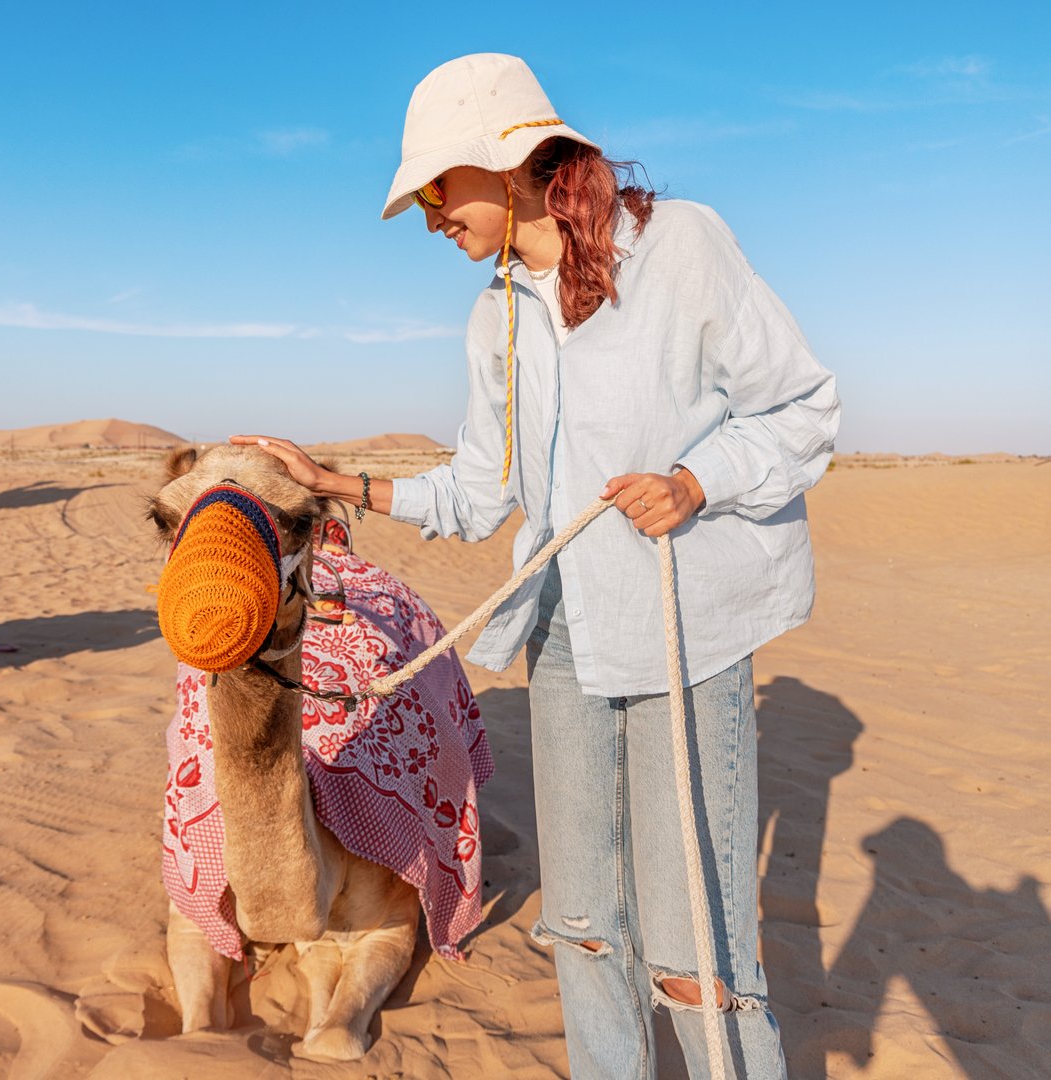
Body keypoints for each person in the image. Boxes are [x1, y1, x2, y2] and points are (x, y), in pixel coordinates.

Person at [233, 53, 837, 1078]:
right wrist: (340, 484)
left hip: (683, 635)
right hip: (564, 644)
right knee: (589, 928)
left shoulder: (679, 246)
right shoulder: (496, 314)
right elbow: (479, 489)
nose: (429, 217)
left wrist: (696, 479)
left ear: (504, 161)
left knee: (697, 949)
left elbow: (802, 406)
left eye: (434, 188)